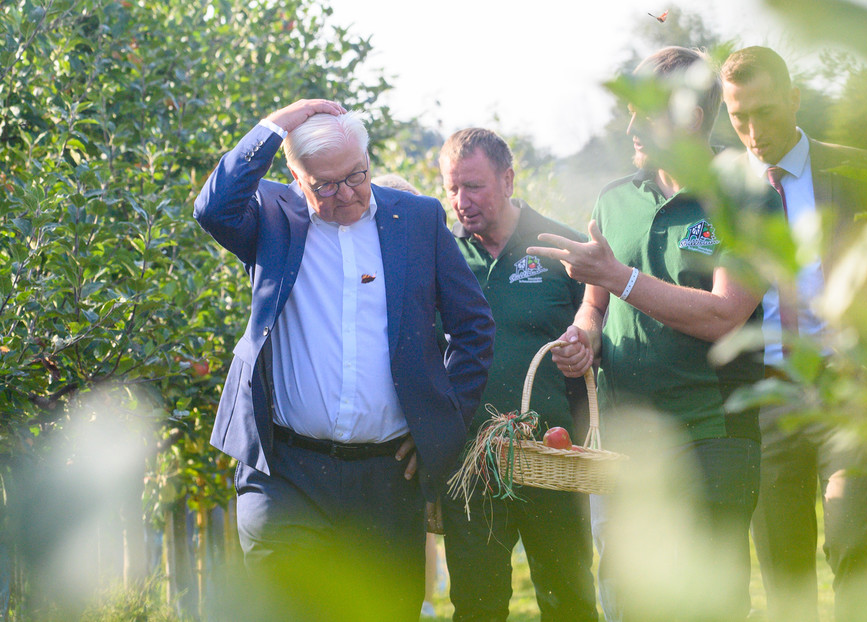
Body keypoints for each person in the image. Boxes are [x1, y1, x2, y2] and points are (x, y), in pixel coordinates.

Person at [193, 99, 494, 621]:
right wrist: (278, 123)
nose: (348, 193)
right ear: (295, 177)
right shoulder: (273, 217)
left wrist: (441, 427)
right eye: (326, 184)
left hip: (384, 480)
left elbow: (473, 326)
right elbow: (212, 208)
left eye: (357, 174)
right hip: (285, 472)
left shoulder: (417, 220)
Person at [528, 47, 767, 620]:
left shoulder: (745, 195)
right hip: (627, 436)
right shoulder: (615, 200)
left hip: (714, 431)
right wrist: (583, 338)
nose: (630, 123)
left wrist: (619, 276)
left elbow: (724, 313)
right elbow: (596, 305)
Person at [720, 46, 867, 622]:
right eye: (738, 117)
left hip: (846, 390)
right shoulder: (722, 194)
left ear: (794, 99)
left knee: (850, 543)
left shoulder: (855, 171)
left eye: (764, 112)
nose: (752, 131)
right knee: (784, 569)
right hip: (765, 402)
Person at [437, 128, 598, 622]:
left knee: (567, 599)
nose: (462, 201)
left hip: (553, 456)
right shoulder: (442, 254)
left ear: (508, 179)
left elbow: (598, 328)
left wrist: (585, 343)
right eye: (452, 189)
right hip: (470, 463)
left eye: (474, 186)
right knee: (477, 605)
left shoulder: (559, 245)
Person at [371, 172, 447, 620]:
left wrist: (428, 426)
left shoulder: (430, 279)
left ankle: (423, 601)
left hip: (407, 440)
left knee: (415, 536)